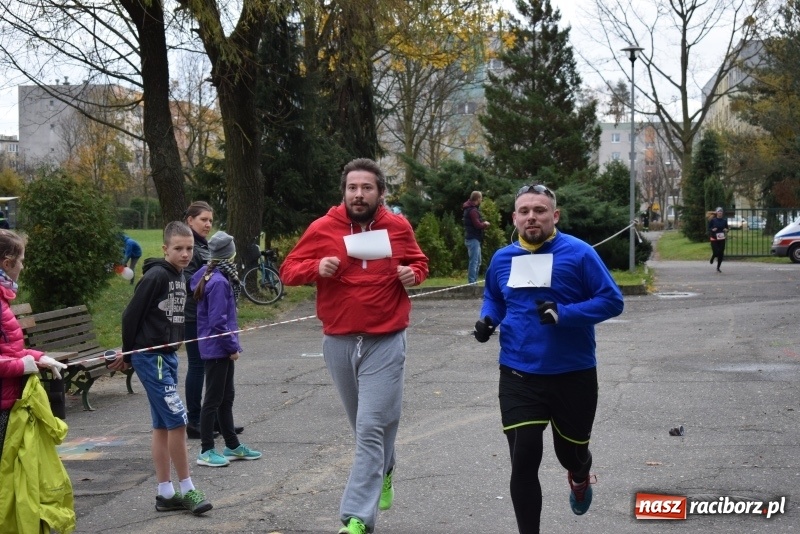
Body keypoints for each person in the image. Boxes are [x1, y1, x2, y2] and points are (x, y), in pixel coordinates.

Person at [280, 158, 429, 534]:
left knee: (369, 426)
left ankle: (357, 518)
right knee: (364, 427)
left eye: (366, 188)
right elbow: (288, 270)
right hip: (339, 341)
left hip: (386, 339)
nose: (358, 194)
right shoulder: (322, 228)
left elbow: (419, 262)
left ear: (380, 192)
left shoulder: (397, 226)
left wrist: (413, 274)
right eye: (352, 188)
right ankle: (387, 467)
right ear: (343, 191)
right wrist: (316, 268)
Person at [473, 184, 624, 534]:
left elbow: (612, 300)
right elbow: (494, 297)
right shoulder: (503, 258)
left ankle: (580, 472)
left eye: (540, 210)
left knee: (569, 454)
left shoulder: (580, 254)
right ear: (514, 218)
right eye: (524, 211)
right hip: (518, 372)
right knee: (523, 458)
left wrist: (565, 313)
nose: (531, 217)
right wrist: (487, 320)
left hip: (573, 373)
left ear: (554, 216)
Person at [107, 221, 213, 516]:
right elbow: (131, 315)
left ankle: (165, 493)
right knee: (178, 420)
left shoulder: (182, 275)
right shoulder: (155, 276)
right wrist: (128, 353)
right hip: (149, 356)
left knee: (162, 425)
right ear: (165, 248)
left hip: (167, 356)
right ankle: (188, 489)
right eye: (178, 249)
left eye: (189, 248)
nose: (185, 254)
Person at [0, 230, 73, 534]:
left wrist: (39, 357)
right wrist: (22, 366)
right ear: (7, 262)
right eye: (22, 260)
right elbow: (11, 359)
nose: (23, 267)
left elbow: (9, 350)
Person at [190, 231, 261, 467]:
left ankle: (232, 445)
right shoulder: (219, 282)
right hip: (218, 348)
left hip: (216, 347)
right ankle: (206, 450)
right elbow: (218, 321)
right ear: (229, 255)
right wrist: (232, 347)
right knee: (213, 399)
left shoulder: (210, 274)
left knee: (226, 397)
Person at [182, 202, 243, 439]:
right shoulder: (191, 247)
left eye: (210, 220)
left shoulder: (206, 246)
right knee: (198, 367)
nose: (207, 224)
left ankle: (218, 418)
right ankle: (196, 420)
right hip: (195, 317)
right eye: (202, 220)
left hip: (207, 315)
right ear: (190, 220)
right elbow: (189, 281)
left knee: (214, 372)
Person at [463, 191, 491, 284]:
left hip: (474, 239)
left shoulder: (469, 209)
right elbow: (477, 225)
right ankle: (472, 283)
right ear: (477, 198)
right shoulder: (473, 211)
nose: (481, 199)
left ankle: (474, 281)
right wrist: (485, 224)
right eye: (481, 198)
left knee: (478, 261)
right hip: (473, 239)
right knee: (474, 262)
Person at [708, 207, 729, 273]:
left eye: (721, 212)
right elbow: (709, 228)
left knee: (721, 254)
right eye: (719, 211)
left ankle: (718, 267)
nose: (720, 213)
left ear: (722, 213)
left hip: (721, 238)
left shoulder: (724, 221)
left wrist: (726, 230)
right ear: (716, 213)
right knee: (716, 252)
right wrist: (712, 229)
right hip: (714, 238)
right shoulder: (713, 220)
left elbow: (727, 228)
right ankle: (713, 257)